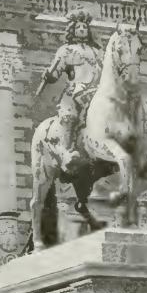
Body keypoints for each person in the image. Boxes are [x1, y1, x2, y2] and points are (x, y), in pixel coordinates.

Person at [37, 10, 103, 172]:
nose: (82, 29)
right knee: (69, 116)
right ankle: (67, 150)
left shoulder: (97, 51)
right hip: (75, 91)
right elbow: (55, 73)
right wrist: (49, 75)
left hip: (95, 90)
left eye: (84, 27)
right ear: (72, 30)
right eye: (78, 27)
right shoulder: (66, 50)